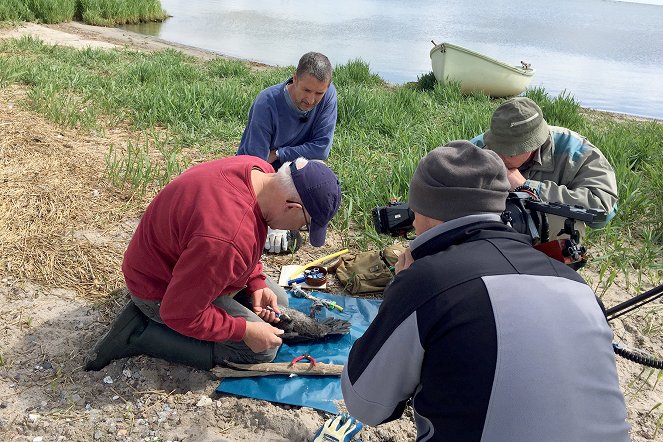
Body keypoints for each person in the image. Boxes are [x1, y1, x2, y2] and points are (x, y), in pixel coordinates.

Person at [341, 141, 629, 441]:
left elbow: (365, 404)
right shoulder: (577, 285)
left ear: (423, 211)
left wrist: (401, 291)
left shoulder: (426, 281)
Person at [85, 156, 341, 371]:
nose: (300, 231)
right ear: (292, 206)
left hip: (184, 263)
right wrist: (244, 331)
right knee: (261, 353)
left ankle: (230, 305)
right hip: (159, 290)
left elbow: (240, 237)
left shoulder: (259, 171)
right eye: (305, 226)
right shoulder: (227, 239)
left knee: (279, 300)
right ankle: (140, 333)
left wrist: (255, 280)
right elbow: (181, 311)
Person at [470, 96, 618, 239]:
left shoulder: (577, 152)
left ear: (533, 145)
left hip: (544, 234)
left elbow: (604, 211)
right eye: (495, 147)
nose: (499, 157)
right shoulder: (478, 147)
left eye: (509, 151)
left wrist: (527, 187)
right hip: (491, 227)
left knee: (569, 228)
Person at [237, 51, 337, 254]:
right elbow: (255, 164)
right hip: (263, 173)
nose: (311, 100)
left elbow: (321, 148)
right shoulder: (267, 102)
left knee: (320, 169)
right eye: (306, 90)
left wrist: (280, 153)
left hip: (291, 167)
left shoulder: (328, 95)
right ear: (294, 78)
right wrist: (270, 212)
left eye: (319, 93)